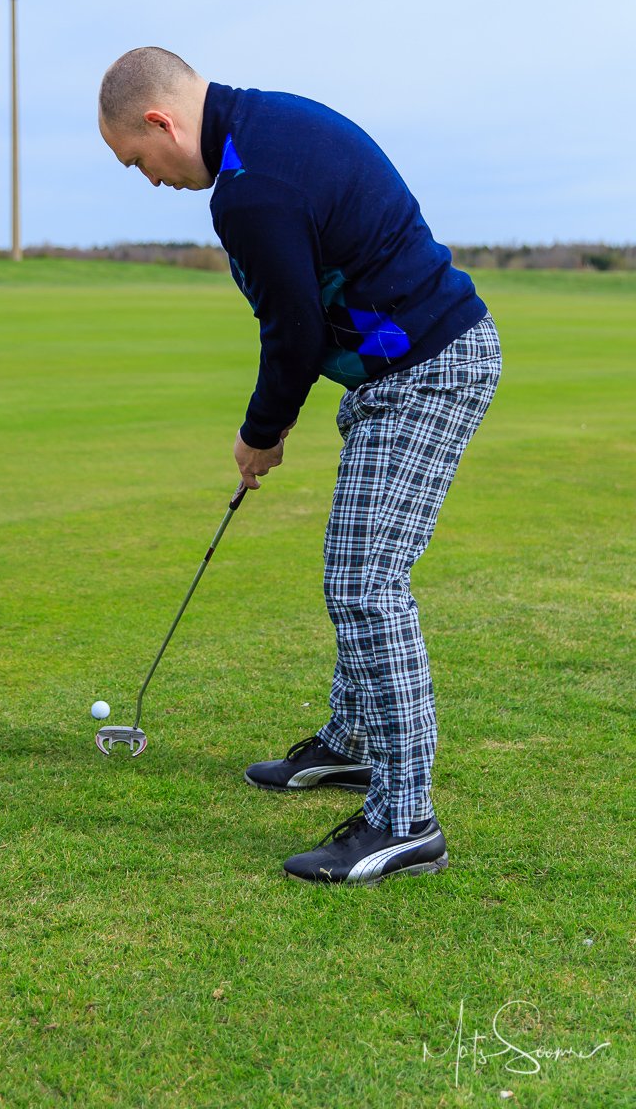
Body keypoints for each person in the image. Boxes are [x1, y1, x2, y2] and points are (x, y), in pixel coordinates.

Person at [98, 47, 502, 887]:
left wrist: (262, 432)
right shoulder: (262, 127)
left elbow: (293, 330)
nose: (151, 180)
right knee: (358, 566)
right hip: (399, 371)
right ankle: (351, 743)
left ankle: (405, 820)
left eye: (139, 161)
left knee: (365, 581)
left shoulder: (249, 186)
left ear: (161, 122)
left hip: (429, 369)